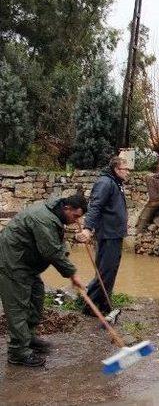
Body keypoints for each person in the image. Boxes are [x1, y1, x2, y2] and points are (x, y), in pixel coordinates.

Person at [0, 195, 87, 367]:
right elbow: (51, 252)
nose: (77, 220)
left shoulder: (56, 215)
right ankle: (18, 353)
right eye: (76, 216)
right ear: (67, 208)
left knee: (36, 300)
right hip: (12, 263)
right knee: (18, 307)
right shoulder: (44, 219)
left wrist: (70, 250)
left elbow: (57, 244)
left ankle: (29, 338)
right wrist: (72, 273)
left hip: (27, 263)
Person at [76, 156, 129, 316]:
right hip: (108, 234)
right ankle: (90, 307)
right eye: (126, 169)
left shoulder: (116, 183)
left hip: (115, 234)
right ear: (116, 169)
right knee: (104, 271)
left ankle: (104, 304)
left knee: (110, 271)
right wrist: (87, 228)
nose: (128, 172)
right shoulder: (105, 183)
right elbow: (95, 206)